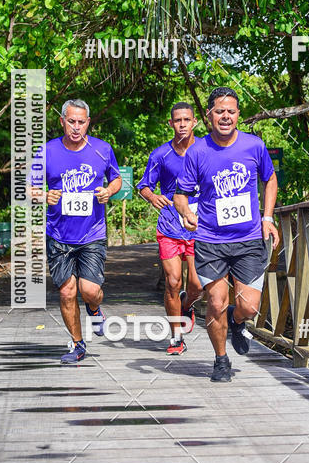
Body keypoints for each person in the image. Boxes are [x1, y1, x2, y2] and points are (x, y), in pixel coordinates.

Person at [174, 87, 279, 383]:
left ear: (238, 116)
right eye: (219, 111)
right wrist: (187, 213)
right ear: (209, 116)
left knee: (250, 306)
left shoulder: (254, 145)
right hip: (210, 240)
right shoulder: (197, 151)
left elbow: (269, 179)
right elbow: (180, 195)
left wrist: (267, 217)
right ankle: (221, 360)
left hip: (247, 240)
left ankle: (237, 319)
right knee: (216, 302)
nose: (225, 117)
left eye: (231, 112)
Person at [29, 99, 122, 364]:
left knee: (89, 290)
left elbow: (116, 179)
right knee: (67, 292)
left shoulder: (102, 149)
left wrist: (108, 191)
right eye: (71, 121)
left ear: (88, 123)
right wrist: (44, 195)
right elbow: (30, 189)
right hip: (58, 234)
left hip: (91, 233)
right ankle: (78, 344)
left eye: (81, 122)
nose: (76, 127)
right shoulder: (47, 151)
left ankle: (95, 309)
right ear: (62, 121)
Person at [137, 102, 203, 355]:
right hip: (169, 225)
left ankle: (187, 306)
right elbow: (144, 185)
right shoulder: (161, 154)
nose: (183, 124)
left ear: (194, 121)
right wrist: (152, 197)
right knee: (173, 282)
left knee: (197, 285)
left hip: (200, 227)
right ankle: (176, 336)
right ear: (171, 124)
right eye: (178, 120)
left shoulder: (207, 150)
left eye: (187, 119)